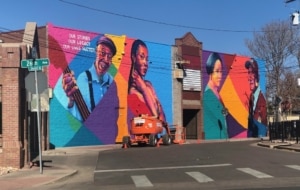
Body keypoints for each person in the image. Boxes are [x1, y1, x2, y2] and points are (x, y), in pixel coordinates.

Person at [62, 35, 117, 121]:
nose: (106, 60)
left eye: (109, 56)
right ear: (95, 52)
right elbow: (75, 115)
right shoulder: (83, 78)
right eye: (102, 53)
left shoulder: (112, 82)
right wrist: (71, 101)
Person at [127, 39, 166, 122]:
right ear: (134, 58)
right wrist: (144, 90)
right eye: (142, 57)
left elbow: (162, 119)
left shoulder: (149, 84)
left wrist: (144, 87)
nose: (145, 63)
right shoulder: (132, 93)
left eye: (147, 59)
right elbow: (154, 118)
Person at [203, 52, 228, 139]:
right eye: (217, 71)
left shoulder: (218, 94)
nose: (220, 76)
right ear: (210, 72)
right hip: (214, 138)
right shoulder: (207, 96)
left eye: (221, 71)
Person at [245, 58, 267, 137]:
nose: (249, 77)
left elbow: (262, 121)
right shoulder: (252, 96)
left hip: (259, 131)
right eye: (248, 73)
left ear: (257, 76)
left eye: (252, 73)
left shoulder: (262, 99)